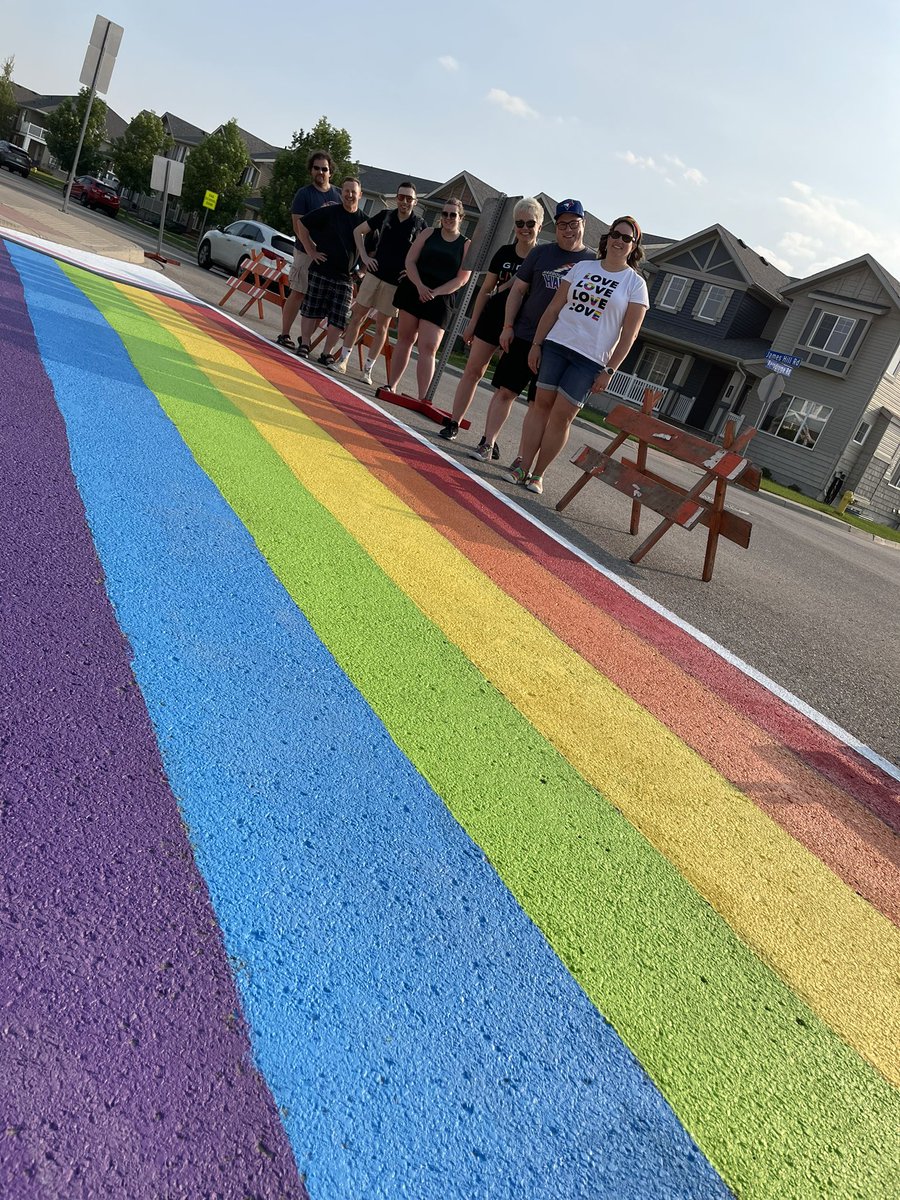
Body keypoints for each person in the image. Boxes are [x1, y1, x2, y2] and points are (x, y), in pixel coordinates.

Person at [501, 215, 649, 495]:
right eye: (616, 235)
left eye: (626, 238)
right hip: (556, 344)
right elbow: (555, 307)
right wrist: (536, 344)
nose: (619, 241)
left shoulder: (635, 285)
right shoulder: (582, 267)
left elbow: (629, 335)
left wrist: (610, 370)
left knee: (561, 417)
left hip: (590, 359)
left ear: (634, 245)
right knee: (539, 406)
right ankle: (521, 465)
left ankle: (537, 474)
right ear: (608, 238)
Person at [467, 199, 596, 463]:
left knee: (539, 406)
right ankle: (487, 443)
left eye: (574, 224)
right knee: (505, 391)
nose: (568, 230)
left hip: (558, 345)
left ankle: (523, 459)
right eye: (562, 224)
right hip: (524, 334)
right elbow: (517, 290)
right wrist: (508, 326)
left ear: (583, 225)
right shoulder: (541, 253)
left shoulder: (592, 262)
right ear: (555, 226)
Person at [438, 197, 543, 450]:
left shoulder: (542, 258)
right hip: (493, 317)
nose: (525, 228)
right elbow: (486, 290)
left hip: (522, 326)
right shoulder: (504, 253)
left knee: (505, 388)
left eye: (530, 222)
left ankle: (489, 439)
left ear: (539, 225)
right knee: (473, 371)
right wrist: (473, 323)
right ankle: (454, 422)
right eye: (520, 222)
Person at [329, 182, 426, 386]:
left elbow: (425, 253)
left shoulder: (419, 225)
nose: (404, 202)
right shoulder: (385, 215)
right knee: (357, 316)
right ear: (396, 198)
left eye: (409, 199)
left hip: (394, 285)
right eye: (401, 197)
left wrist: (410, 273)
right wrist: (364, 257)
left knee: (382, 327)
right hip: (373, 275)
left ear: (415, 202)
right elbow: (358, 231)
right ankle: (343, 360)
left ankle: (368, 370)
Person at [387, 196, 472, 399]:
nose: (448, 218)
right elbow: (410, 261)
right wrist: (420, 286)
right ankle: (391, 386)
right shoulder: (428, 233)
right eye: (445, 214)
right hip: (415, 289)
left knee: (428, 347)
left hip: (440, 298)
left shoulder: (466, 244)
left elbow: (462, 279)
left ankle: (423, 397)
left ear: (461, 217)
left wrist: (435, 292)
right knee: (405, 339)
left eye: (453, 215)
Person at [294, 178, 368, 364]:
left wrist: (362, 271)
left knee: (339, 316)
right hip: (321, 270)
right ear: (341, 193)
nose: (349, 195)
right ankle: (304, 343)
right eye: (346, 191)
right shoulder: (329, 212)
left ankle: (327, 353)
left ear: (360, 195)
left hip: (346, 278)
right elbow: (302, 225)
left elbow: (376, 249)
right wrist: (311, 250)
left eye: (353, 192)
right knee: (312, 308)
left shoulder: (365, 222)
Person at [275, 151, 341, 350]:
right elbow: (298, 225)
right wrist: (311, 250)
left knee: (320, 299)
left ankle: (304, 340)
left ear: (331, 172)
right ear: (311, 170)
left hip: (328, 255)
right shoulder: (304, 194)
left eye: (324, 169)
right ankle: (284, 333)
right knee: (299, 292)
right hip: (305, 252)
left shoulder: (337, 195)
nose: (320, 172)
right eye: (316, 168)